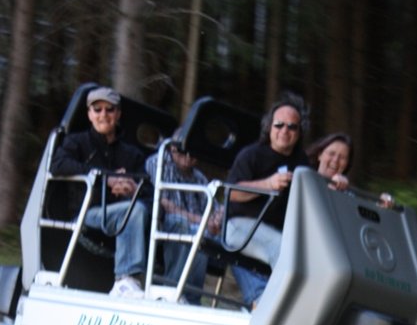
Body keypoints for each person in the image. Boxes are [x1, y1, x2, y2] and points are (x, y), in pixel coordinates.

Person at [51, 86, 151, 298]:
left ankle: (174, 290)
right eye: (97, 109)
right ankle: (125, 280)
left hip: (124, 210)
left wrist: (132, 188)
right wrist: (107, 178)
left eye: (109, 109)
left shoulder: (132, 154)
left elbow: (149, 193)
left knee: (166, 220)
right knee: (132, 211)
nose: (103, 115)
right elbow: (58, 165)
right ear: (89, 114)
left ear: (118, 114)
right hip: (88, 213)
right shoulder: (76, 142)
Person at [226, 91, 310, 308]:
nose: (285, 131)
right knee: (284, 250)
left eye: (292, 127)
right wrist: (268, 184)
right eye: (279, 125)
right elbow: (231, 192)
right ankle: (273, 308)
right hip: (239, 226)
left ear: (300, 132)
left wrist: (336, 182)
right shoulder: (252, 154)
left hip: (278, 232)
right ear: (269, 127)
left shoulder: (302, 162)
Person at [145, 131, 221, 304]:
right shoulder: (158, 163)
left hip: (195, 226)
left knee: (209, 234)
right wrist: (202, 221)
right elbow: (160, 201)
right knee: (189, 228)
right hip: (163, 222)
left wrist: (216, 218)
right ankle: (172, 292)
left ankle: (192, 299)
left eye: (193, 153)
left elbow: (215, 207)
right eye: (183, 151)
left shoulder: (199, 177)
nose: (188, 157)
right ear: (172, 148)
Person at [307, 131, 395, 208]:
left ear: (347, 164)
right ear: (320, 155)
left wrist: (380, 205)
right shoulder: (305, 180)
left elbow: (361, 215)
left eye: (342, 157)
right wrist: (329, 188)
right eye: (331, 153)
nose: (335, 160)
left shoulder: (350, 195)